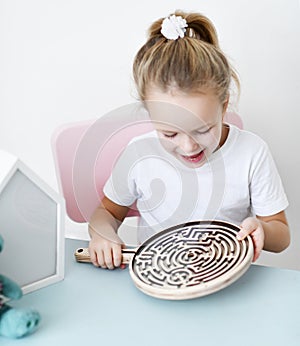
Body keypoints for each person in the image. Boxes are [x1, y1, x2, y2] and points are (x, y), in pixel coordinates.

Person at [88, 10, 290, 269]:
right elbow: (106, 212)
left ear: (224, 105)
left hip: (225, 279)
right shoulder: (139, 153)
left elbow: (281, 235)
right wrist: (103, 233)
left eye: (203, 129)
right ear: (150, 115)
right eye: (169, 133)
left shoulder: (252, 152)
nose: (188, 146)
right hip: (158, 278)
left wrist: (261, 229)